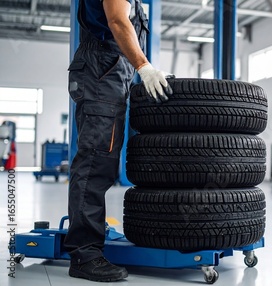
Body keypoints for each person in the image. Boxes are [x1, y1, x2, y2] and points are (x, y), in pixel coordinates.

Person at [64, 0, 172, 282]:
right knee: (95, 161)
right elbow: (117, 21)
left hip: (113, 69)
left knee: (103, 161)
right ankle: (84, 254)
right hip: (102, 69)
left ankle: (87, 243)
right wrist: (144, 66)